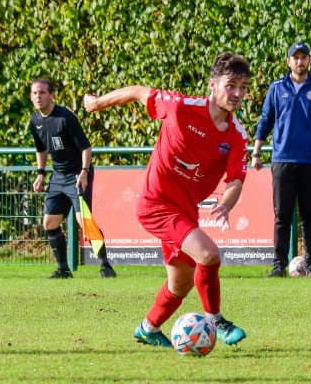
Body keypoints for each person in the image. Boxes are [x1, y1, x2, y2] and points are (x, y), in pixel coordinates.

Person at [83, 51, 249, 348]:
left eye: (243, 87)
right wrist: (96, 104)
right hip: (156, 204)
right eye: (231, 85)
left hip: (186, 211)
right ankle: (216, 320)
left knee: (181, 283)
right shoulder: (181, 106)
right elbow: (138, 92)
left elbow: (236, 179)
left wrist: (227, 203)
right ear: (212, 85)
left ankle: (148, 328)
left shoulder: (237, 135)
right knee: (209, 255)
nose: (237, 93)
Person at [252, 42, 311, 277]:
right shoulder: (277, 88)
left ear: (309, 60)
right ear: (288, 61)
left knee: (310, 215)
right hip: (283, 160)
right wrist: (256, 152)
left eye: (303, 57)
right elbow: (266, 121)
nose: (300, 61)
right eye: (295, 57)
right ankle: (279, 265)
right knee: (282, 215)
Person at [29, 78, 116, 279]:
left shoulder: (65, 117)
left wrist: (84, 172)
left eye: (42, 92)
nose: (38, 96)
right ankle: (63, 270)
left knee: (83, 221)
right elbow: (41, 149)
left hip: (77, 174)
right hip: (58, 176)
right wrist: (40, 173)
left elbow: (86, 147)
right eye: (34, 93)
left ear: (52, 95)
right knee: (49, 222)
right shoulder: (35, 120)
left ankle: (106, 266)